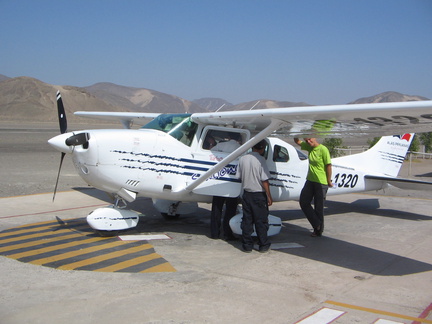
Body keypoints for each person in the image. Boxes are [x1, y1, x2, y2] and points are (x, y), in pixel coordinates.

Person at [237, 140, 273, 252]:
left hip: (247, 194)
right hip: (258, 195)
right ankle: (263, 244)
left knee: (247, 220)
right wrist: (269, 196)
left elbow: (238, 176)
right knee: (261, 221)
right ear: (262, 149)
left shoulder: (242, 159)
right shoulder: (261, 160)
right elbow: (264, 180)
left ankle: (247, 245)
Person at [294, 137, 333, 237]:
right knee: (303, 201)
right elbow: (297, 141)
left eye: (310, 139)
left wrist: (328, 181)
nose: (308, 142)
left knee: (318, 207)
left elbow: (328, 166)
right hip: (310, 180)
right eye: (306, 140)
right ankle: (317, 224)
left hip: (321, 182)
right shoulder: (309, 147)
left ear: (315, 138)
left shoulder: (323, 149)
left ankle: (318, 230)